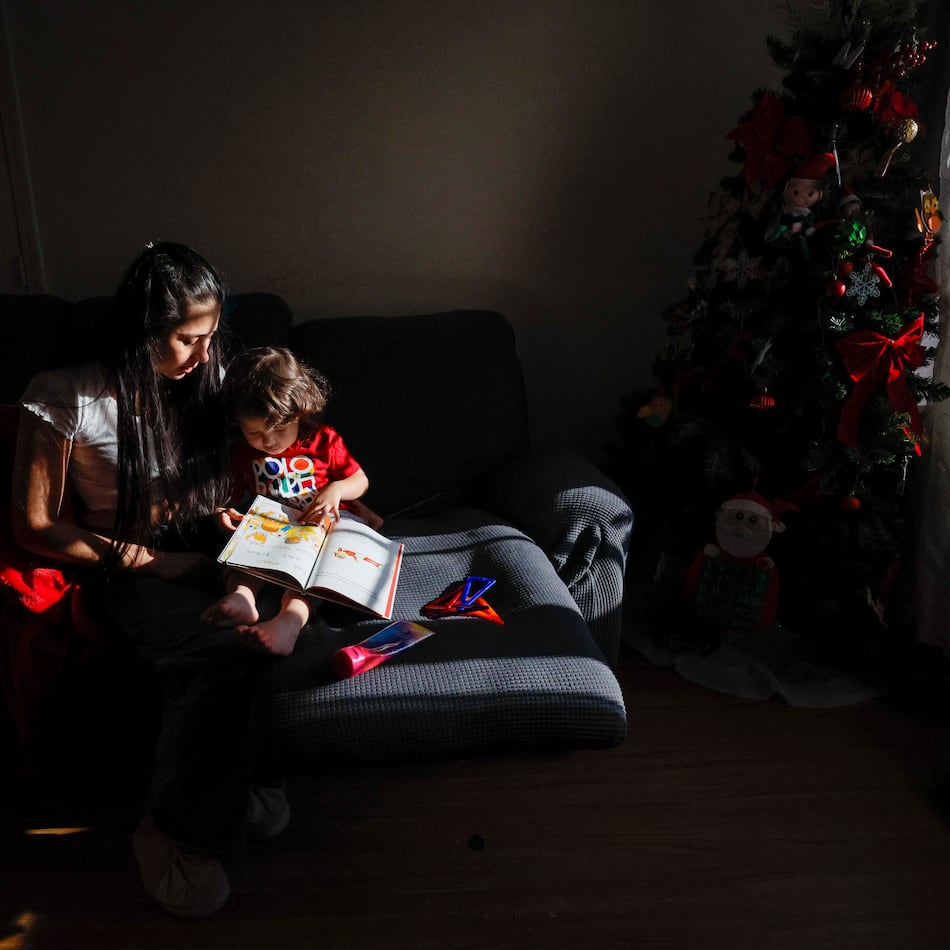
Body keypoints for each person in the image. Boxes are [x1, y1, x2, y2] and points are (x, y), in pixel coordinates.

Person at [12, 242, 288, 918]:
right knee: (223, 652)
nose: (203, 355)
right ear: (144, 333)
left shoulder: (208, 384)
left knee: (279, 612)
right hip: (125, 558)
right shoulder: (64, 396)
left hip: (211, 537)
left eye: (211, 336)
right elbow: (35, 527)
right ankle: (174, 830)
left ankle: (221, 791)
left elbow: (287, 442)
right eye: (188, 339)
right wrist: (157, 563)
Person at [202, 346, 382, 657]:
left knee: (312, 580)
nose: (268, 441)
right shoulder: (242, 453)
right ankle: (243, 597)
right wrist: (224, 513)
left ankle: (288, 623)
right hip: (271, 530)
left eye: (279, 429)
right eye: (255, 432)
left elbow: (361, 480)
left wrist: (336, 490)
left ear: (301, 414)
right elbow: (229, 496)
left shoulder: (323, 440)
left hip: (318, 531)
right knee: (241, 559)